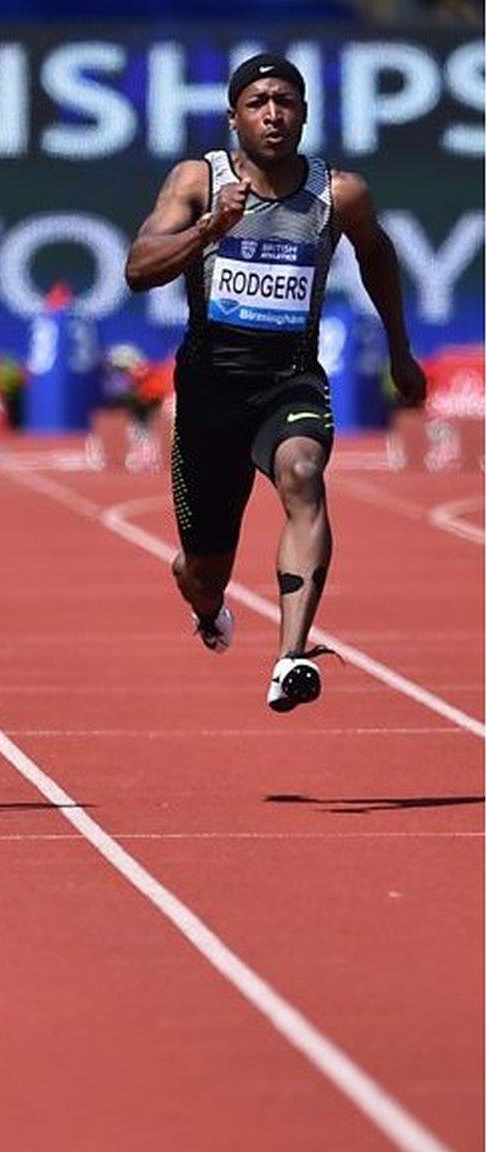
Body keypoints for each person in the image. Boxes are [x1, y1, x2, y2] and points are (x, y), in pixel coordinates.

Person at [124, 53, 426, 712]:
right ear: (233, 116)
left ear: (305, 114)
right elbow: (138, 268)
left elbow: (377, 253)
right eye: (258, 102)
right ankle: (206, 606)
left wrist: (401, 352)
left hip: (289, 380)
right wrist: (211, 228)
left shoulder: (338, 192)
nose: (272, 114)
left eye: (285, 102)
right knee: (206, 573)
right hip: (209, 391)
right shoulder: (198, 181)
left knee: (302, 472)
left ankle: (292, 654)